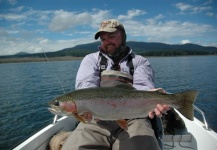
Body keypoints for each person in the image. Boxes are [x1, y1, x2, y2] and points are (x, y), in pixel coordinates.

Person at [62, 19, 170, 150]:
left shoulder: (139, 61)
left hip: (133, 118)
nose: (107, 42)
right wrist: (84, 107)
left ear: (123, 36)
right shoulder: (91, 59)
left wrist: (152, 95)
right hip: (96, 119)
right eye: (103, 39)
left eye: (111, 36)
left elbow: (143, 85)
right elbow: (86, 87)